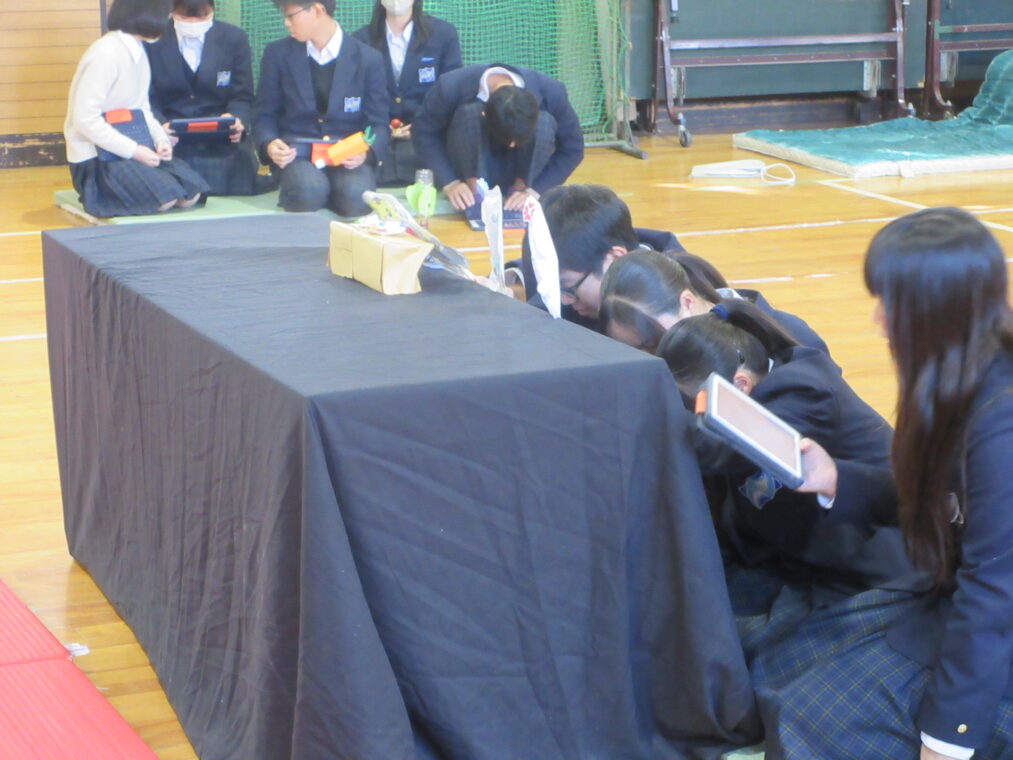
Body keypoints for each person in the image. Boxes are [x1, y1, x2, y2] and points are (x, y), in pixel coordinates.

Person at [750, 207, 1013, 760]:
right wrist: (835, 478)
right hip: (962, 597)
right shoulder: (961, 377)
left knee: (809, 723)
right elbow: (943, 500)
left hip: (992, 629)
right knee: (781, 664)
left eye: (890, 303)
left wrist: (946, 740)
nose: (877, 319)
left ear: (935, 311)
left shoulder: (1002, 422)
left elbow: (994, 597)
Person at [655, 298, 913, 605]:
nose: (691, 411)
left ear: (739, 384)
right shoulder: (767, 382)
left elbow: (719, 449)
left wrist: (652, 410)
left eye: (692, 403)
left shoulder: (803, 391)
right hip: (803, 555)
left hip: (874, 571)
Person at [64, 0, 208, 218]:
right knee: (165, 199)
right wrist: (134, 151)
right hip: (97, 157)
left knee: (190, 194)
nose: (167, 20)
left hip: (132, 145)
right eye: (165, 14)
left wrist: (160, 140)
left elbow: (142, 107)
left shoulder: (138, 50)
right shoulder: (105, 53)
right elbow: (85, 119)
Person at [254, 1, 390, 216]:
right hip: (297, 153)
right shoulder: (277, 54)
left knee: (357, 197)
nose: (286, 23)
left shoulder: (368, 58)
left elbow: (378, 123)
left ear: (318, 10)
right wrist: (270, 143)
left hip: (347, 153)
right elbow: (264, 114)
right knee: (307, 191)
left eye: (291, 15)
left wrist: (366, 151)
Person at [411, 63, 584, 212]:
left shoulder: (552, 92)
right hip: (470, 166)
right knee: (468, 114)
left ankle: (518, 191)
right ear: (485, 115)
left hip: (523, 173)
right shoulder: (450, 86)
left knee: (545, 123)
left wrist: (536, 191)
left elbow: (573, 149)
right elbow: (423, 133)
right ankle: (475, 193)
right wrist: (450, 182)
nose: (512, 144)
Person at [513, 184, 686, 326]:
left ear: (615, 260)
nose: (563, 301)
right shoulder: (571, 272)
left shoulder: (674, 318)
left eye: (565, 287)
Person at [599, 250, 829, 355]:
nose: (651, 359)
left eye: (653, 344)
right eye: (634, 354)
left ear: (687, 302)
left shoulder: (796, 344)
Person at [146, 0, 264, 196]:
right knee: (176, 184)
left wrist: (236, 119)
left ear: (213, 11)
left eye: (202, 17)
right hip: (171, 138)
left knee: (236, 181)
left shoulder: (233, 38)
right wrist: (159, 126)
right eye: (185, 17)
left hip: (221, 137)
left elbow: (243, 95)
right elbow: (145, 98)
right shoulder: (152, 40)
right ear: (171, 12)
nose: (193, 23)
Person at [352, 0, 461, 185]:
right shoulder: (360, 40)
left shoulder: (443, 34)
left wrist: (422, 124)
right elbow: (356, 96)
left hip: (428, 139)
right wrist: (380, 127)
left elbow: (452, 93)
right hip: (378, 143)